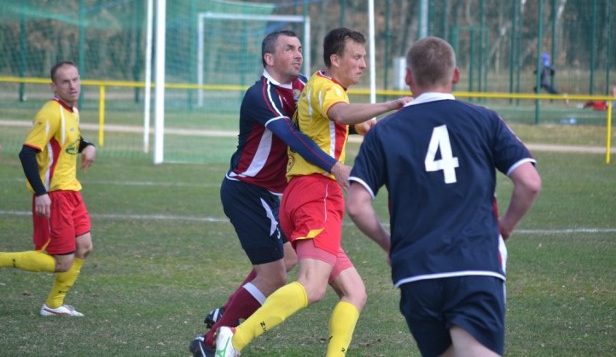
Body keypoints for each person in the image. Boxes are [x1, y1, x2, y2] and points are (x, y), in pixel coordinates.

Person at [214, 27, 408, 357]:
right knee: (305, 284)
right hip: (289, 190)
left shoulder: (309, 83)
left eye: (299, 47)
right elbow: (312, 126)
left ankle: (229, 320)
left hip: (296, 192)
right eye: (356, 57)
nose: (363, 64)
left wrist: (363, 124)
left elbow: (333, 118)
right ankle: (232, 336)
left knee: (355, 292)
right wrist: (388, 106)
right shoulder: (271, 94)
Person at [345, 36, 542, 356]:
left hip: (417, 271)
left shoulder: (384, 131)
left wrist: (390, 244)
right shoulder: (484, 119)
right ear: (456, 75)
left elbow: (356, 205)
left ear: (408, 77)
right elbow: (529, 182)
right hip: (474, 263)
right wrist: (503, 227)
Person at [189, 30, 353, 357]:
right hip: (247, 190)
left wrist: (368, 125)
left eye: (300, 48)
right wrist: (334, 166)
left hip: (272, 194)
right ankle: (212, 344)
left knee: (288, 257)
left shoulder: (301, 85)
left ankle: (228, 312)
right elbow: (291, 136)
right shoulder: (260, 95)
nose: (298, 54)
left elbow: (329, 111)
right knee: (274, 274)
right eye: (289, 49)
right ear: (269, 58)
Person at [0, 61, 95, 317]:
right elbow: (27, 154)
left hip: (72, 191)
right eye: (65, 81)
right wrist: (41, 193)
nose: (73, 85)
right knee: (61, 261)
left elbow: (73, 137)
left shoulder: (72, 110)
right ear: (53, 86)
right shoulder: (50, 113)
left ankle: (54, 305)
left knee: (84, 246)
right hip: (54, 195)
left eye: (76, 79)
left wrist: (89, 145)